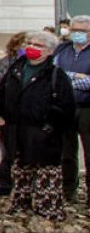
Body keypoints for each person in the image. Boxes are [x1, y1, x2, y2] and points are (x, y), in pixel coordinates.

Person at [0, 30, 76, 221]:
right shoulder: (15, 70)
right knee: (21, 173)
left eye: (38, 45)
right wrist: (0, 121)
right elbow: (0, 99)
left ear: (49, 51)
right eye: (29, 43)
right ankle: (20, 207)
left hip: (44, 136)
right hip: (17, 132)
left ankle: (48, 210)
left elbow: (65, 107)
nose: (31, 47)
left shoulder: (56, 75)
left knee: (47, 174)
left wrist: (49, 128)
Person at [0, 31, 28, 198]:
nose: (27, 47)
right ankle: (5, 185)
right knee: (8, 152)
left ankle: (25, 186)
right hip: (7, 114)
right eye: (24, 44)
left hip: (28, 115)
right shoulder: (3, 63)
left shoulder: (37, 65)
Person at [57, 15, 90, 205]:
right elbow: (55, 74)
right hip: (65, 107)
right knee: (66, 152)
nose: (78, 34)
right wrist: (77, 76)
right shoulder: (62, 49)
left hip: (87, 108)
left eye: (83, 31)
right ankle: (69, 191)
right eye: (75, 30)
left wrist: (67, 79)